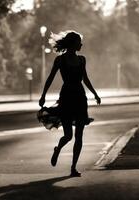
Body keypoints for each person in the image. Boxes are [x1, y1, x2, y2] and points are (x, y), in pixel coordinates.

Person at [39, 31, 101, 177]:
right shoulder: (60, 60)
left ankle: (73, 168)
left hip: (80, 98)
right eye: (79, 42)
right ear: (72, 44)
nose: (81, 44)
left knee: (79, 135)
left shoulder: (82, 60)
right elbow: (50, 78)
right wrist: (43, 95)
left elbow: (85, 79)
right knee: (68, 136)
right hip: (66, 98)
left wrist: (95, 94)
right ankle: (58, 149)